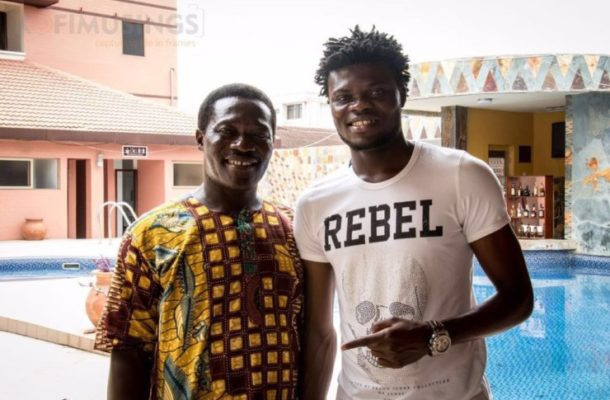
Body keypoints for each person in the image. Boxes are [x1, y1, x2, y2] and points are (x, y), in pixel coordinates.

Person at [294, 26, 533, 400]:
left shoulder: (461, 176)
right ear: (331, 105)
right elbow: (320, 331)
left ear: (401, 95)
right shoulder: (315, 203)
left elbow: (518, 299)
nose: (359, 105)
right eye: (344, 97)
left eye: (376, 92)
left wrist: (433, 335)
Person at [95, 84, 304, 400]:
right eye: (227, 131)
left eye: (259, 135)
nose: (242, 145)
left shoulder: (295, 230)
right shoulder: (153, 233)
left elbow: (312, 334)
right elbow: (129, 349)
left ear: (273, 143)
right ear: (200, 139)